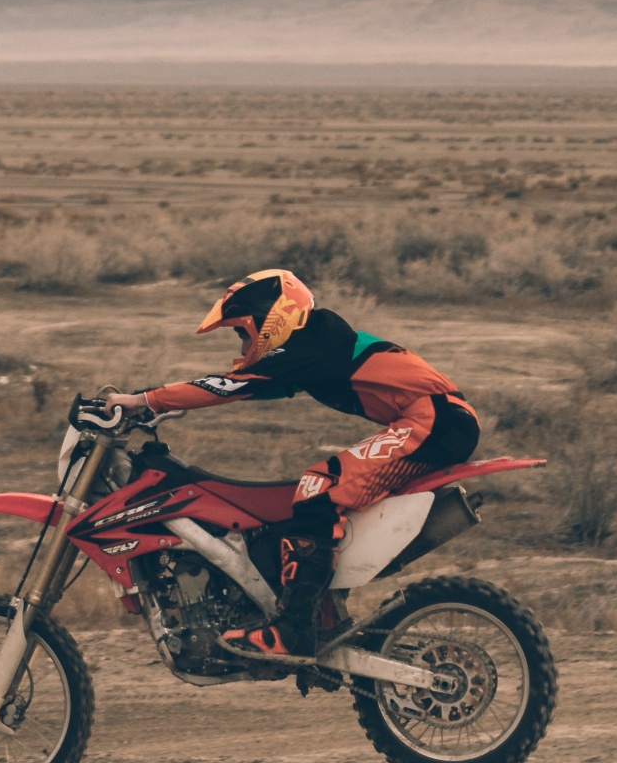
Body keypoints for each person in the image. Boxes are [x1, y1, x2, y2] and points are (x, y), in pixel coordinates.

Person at [104, 268, 479, 664]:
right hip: (433, 419)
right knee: (317, 488)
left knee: (319, 488)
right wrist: (159, 406)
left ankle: (294, 629)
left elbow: (232, 386)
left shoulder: (311, 344)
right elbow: (252, 386)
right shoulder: (315, 342)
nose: (244, 342)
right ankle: (318, 610)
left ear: (270, 318)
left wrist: (143, 400)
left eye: (244, 331)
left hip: (436, 422)